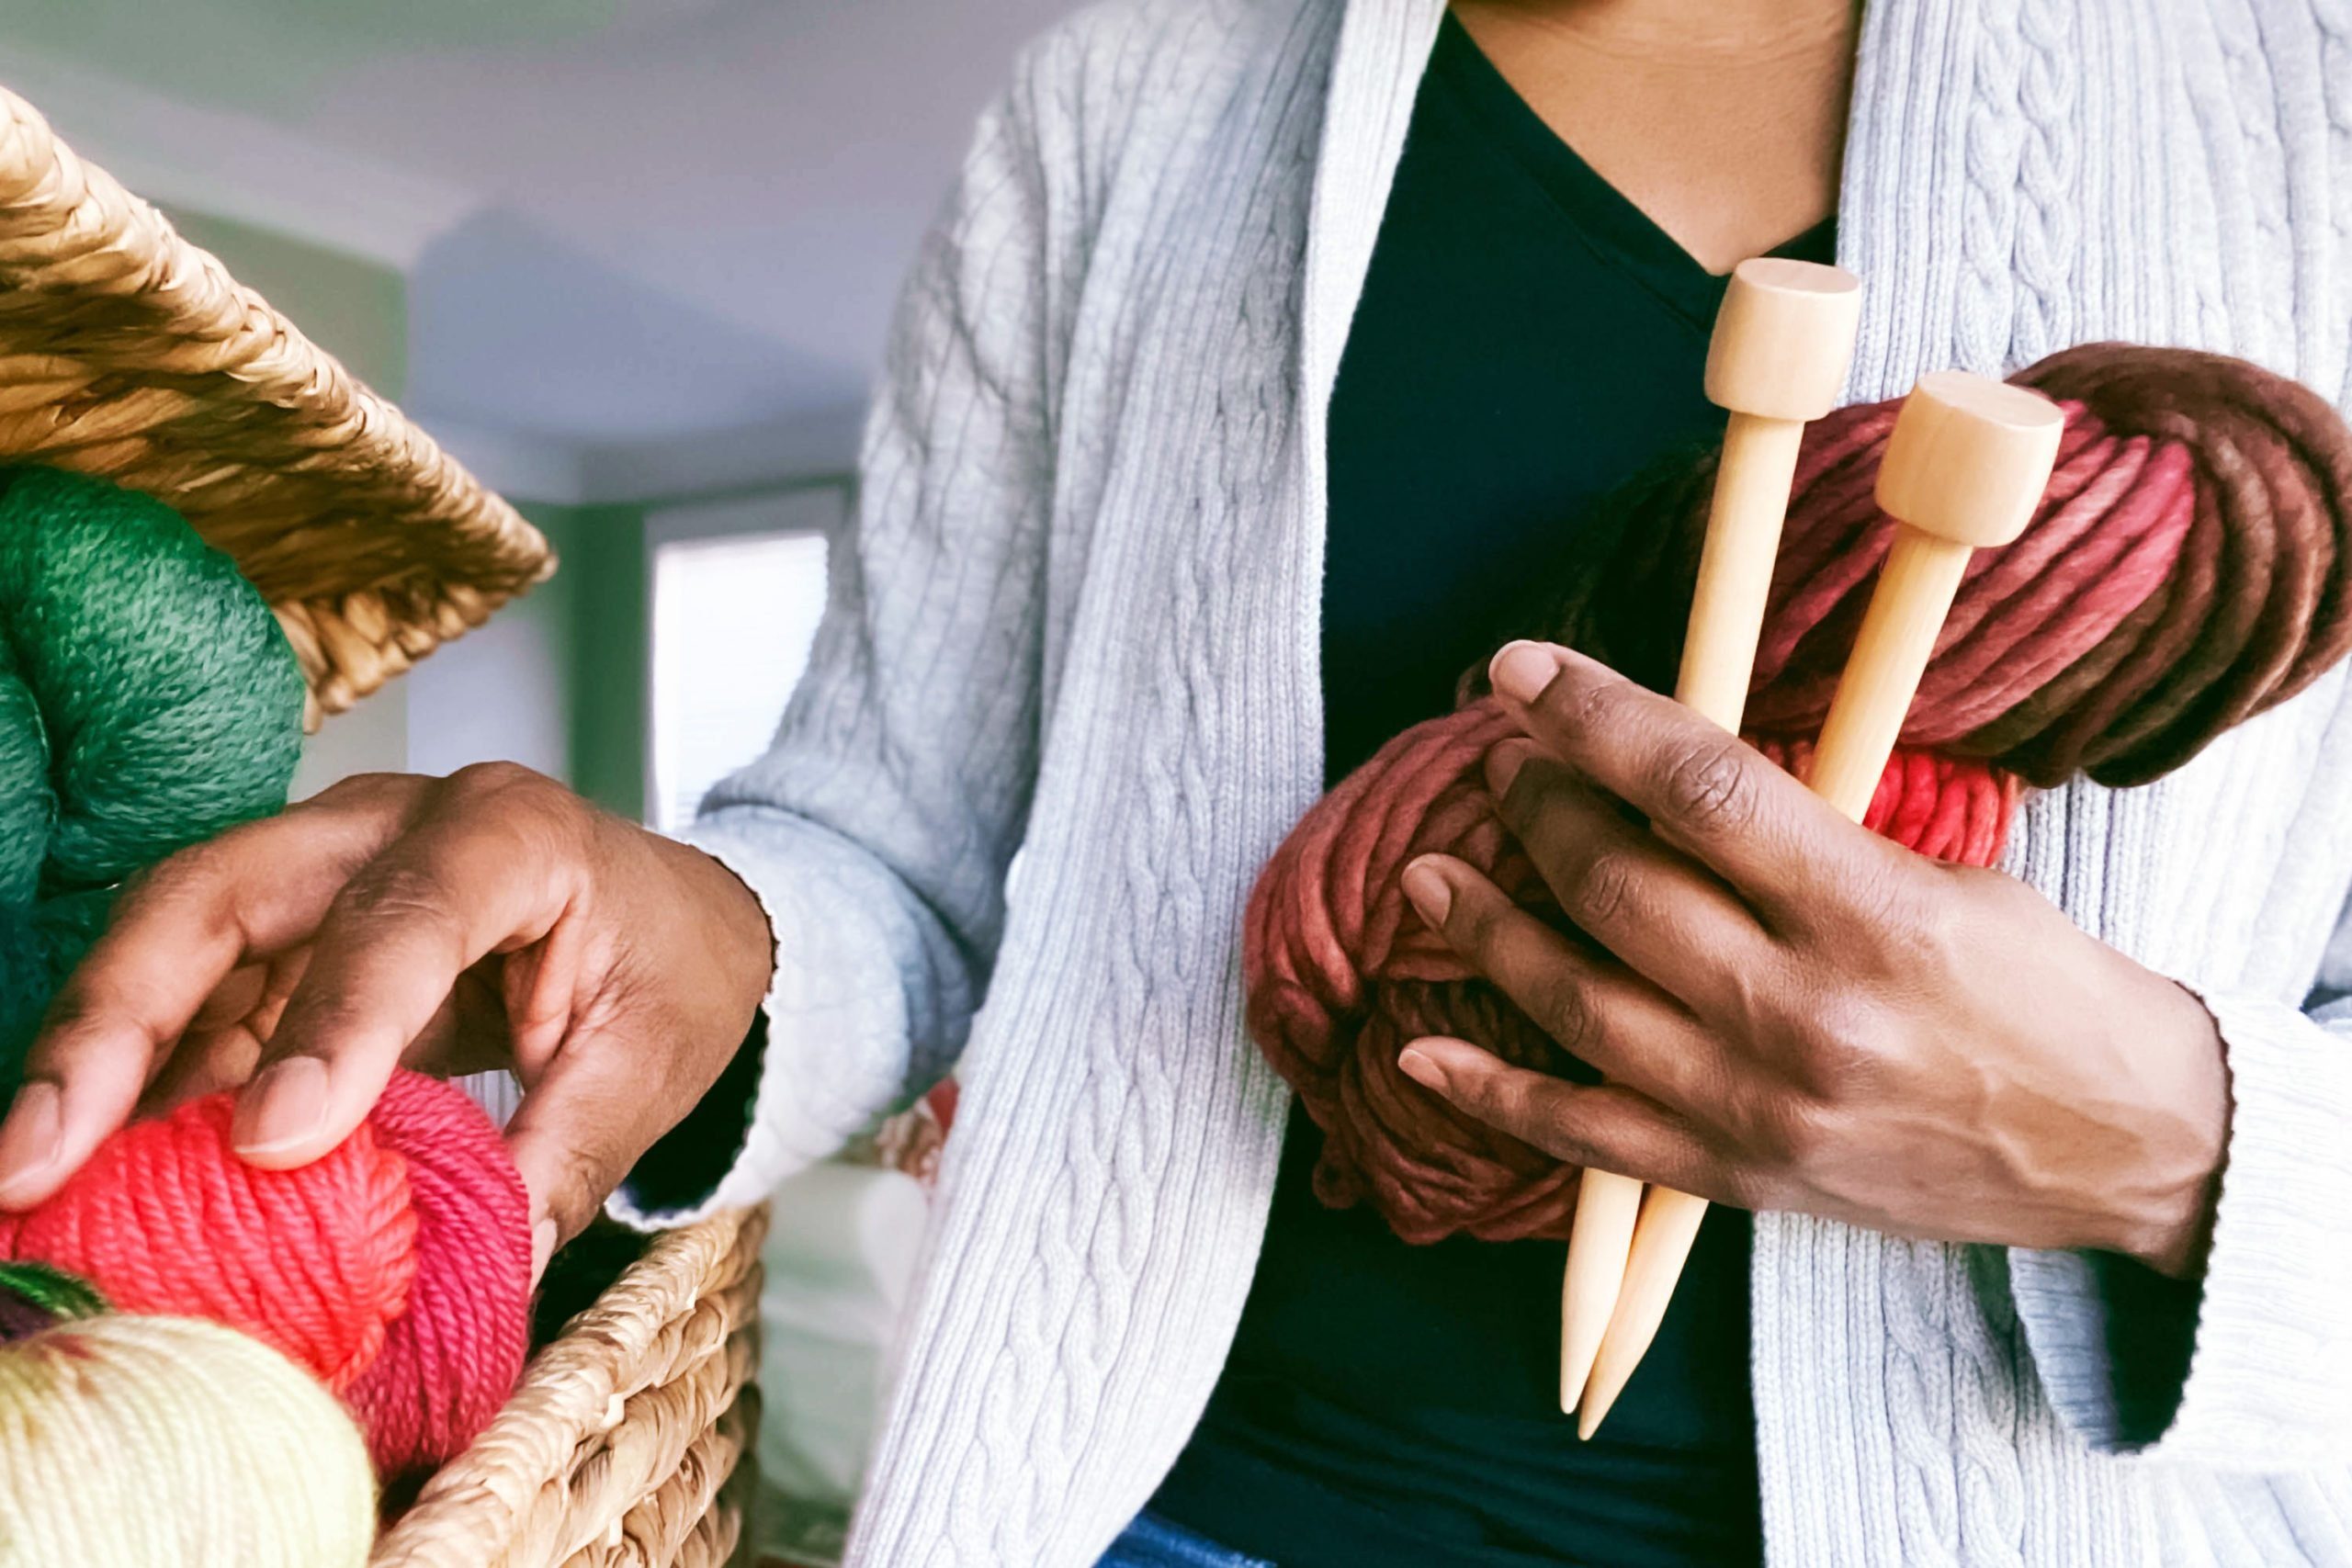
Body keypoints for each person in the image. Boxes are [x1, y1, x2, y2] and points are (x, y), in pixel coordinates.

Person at [3, 1, 2349, 1562]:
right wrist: (692, 914)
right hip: (1167, 1515)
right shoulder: (1131, 99)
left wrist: (2168, 1143)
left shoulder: (2296, 88)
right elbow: (894, 851)